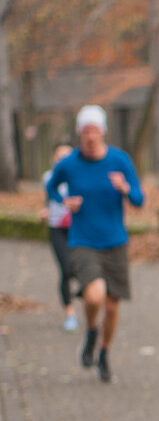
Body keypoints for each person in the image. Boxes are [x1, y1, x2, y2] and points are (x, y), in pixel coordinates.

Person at [45, 105, 144, 383]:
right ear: (79, 134)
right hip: (83, 240)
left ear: (102, 132)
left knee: (112, 308)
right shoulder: (69, 164)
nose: (90, 136)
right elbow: (51, 186)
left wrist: (126, 189)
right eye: (85, 131)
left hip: (115, 242)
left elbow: (139, 199)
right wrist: (64, 201)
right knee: (94, 296)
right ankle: (91, 331)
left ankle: (104, 353)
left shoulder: (119, 161)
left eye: (94, 130)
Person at [40, 142, 78, 332]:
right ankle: (70, 313)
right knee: (66, 269)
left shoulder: (79, 175)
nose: (63, 160)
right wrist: (45, 211)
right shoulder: (48, 177)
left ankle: (84, 293)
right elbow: (47, 199)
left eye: (67, 156)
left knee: (80, 268)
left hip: (78, 228)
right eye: (59, 156)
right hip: (57, 228)